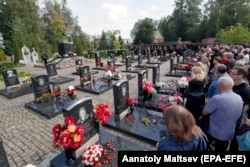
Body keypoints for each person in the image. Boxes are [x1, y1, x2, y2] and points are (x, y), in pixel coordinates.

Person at [202, 76, 243, 151]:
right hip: (228, 133)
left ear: (221, 85)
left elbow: (205, 112)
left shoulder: (217, 98)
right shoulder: (239, 98)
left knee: (203, 146)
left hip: (213, 132)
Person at [229, 66, 250, 151]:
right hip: (231, 116)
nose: (231, 74)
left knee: (235, 138)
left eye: (233, 74)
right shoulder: (233, 84)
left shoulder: (245, 90)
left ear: (241, 75)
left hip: (239, 119)